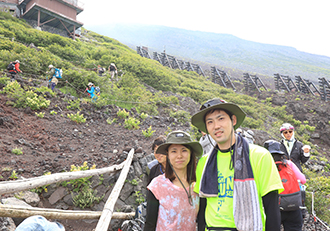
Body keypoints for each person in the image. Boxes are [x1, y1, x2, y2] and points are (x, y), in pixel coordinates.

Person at [191, 98, 284, 231]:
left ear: (233, 120)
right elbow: (203, 206)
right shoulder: (204, 162)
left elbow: (272, 208)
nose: (216, 126)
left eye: (221, 118)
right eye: (210, 122)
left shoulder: (259, 156)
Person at [144, 130, 202, 231]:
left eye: (184, 150)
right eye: (174, 151)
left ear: (190, 153)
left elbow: (201, 221)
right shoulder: (157, 186)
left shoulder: (198, 185)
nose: (179, 156)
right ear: (168, 155)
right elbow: (150, 223)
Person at [264, 140, 306, 231]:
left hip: (273, 209)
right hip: (293, 206)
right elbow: (303, 180)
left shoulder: (264, 165)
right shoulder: (289, 163)